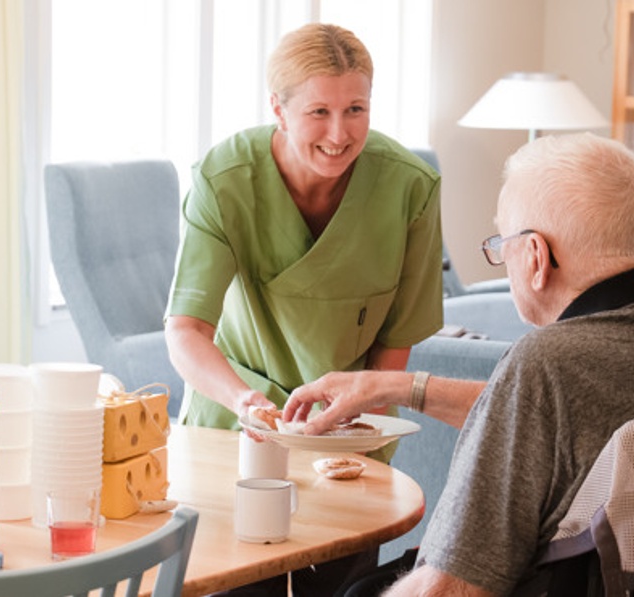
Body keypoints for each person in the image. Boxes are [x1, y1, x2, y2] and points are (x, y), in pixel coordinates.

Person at [284, 133, 634, 595]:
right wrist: (396, 387)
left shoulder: (547, 365)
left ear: (535, 256)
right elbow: (552, 432)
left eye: (500, 243)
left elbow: (446, 590)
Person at [163, 22, 443, 595]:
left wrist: (359, 424)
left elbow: (398, 338)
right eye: (319, 111)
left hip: (347, 434)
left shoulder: (410, 186)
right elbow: (186, 329)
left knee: (339, 586)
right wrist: (246, 401)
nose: (339, 134)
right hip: (233, 426)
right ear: (279, 109)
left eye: (356, 109)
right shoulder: (225, 180)